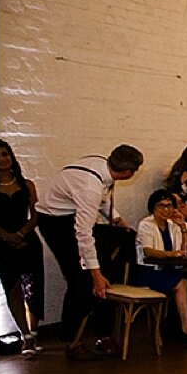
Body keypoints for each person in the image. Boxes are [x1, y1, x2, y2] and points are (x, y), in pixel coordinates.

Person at [36, 144, 142, 360]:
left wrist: (118, 220)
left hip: (70, 215)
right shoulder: (89, 187)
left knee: (124, 236)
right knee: (82, 279)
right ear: (127, 173)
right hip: (55, 223)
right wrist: (95, 274)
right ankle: (72, 342)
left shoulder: (100, 166)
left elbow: (102, 201)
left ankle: (104, 330)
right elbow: (84, 233)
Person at [133, 189, 187, 348]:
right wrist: (170, 254)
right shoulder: (146, 224)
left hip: (169, 269)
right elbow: (148, 251)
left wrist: (183, 227)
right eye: (161, 206)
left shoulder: (172, 224)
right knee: (181, 283)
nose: (166, 210)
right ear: (153, 208)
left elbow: (186, 248)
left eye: (169, 206)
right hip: (150, 271)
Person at [0, 140, 44, 357]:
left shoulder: (27, 184)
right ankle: (25, 335)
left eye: (5, 154)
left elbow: (36, 214)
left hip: (28, 239)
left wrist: (21, 233)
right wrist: (7, 237)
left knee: (33, 287)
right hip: (1, 242)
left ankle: (34, 332)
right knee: (13, 288)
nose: (2, 159)